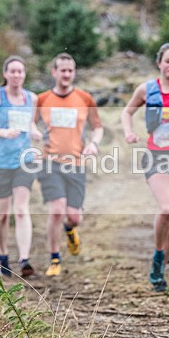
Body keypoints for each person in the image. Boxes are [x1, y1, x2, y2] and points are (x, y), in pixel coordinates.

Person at [121, 43, 169, 293]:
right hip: (158, 156)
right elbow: (127, 112)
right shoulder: (146, 89)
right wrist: (129, 133)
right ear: (160, 63)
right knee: (166, 209)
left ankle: (161, 269)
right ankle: (157, 257)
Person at [36, 53, 104, 277]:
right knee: (56, 210)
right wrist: (33, 134)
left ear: (74, 73)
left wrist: (93, 144)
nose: (66, 74)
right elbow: (28, 123)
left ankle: (70, 230)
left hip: (76, 163)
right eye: (62, 70)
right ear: (54, 72)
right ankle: (54, 259)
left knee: (74, 217)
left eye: (70, 70)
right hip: (50, 162)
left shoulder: (84, 98)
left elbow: (97, 127)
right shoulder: (42, 99)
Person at [0, 55, 41, 278]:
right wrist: (2, 132)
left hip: (24, 161)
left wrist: (33, 130)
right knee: (3, 215)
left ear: (24, 75)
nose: (16, 75)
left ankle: (24, 259)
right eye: (12, 71)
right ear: (5, 74)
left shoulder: (31, 98)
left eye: (20, 72)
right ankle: (3, 253)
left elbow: (29, 121)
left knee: (22, 209)